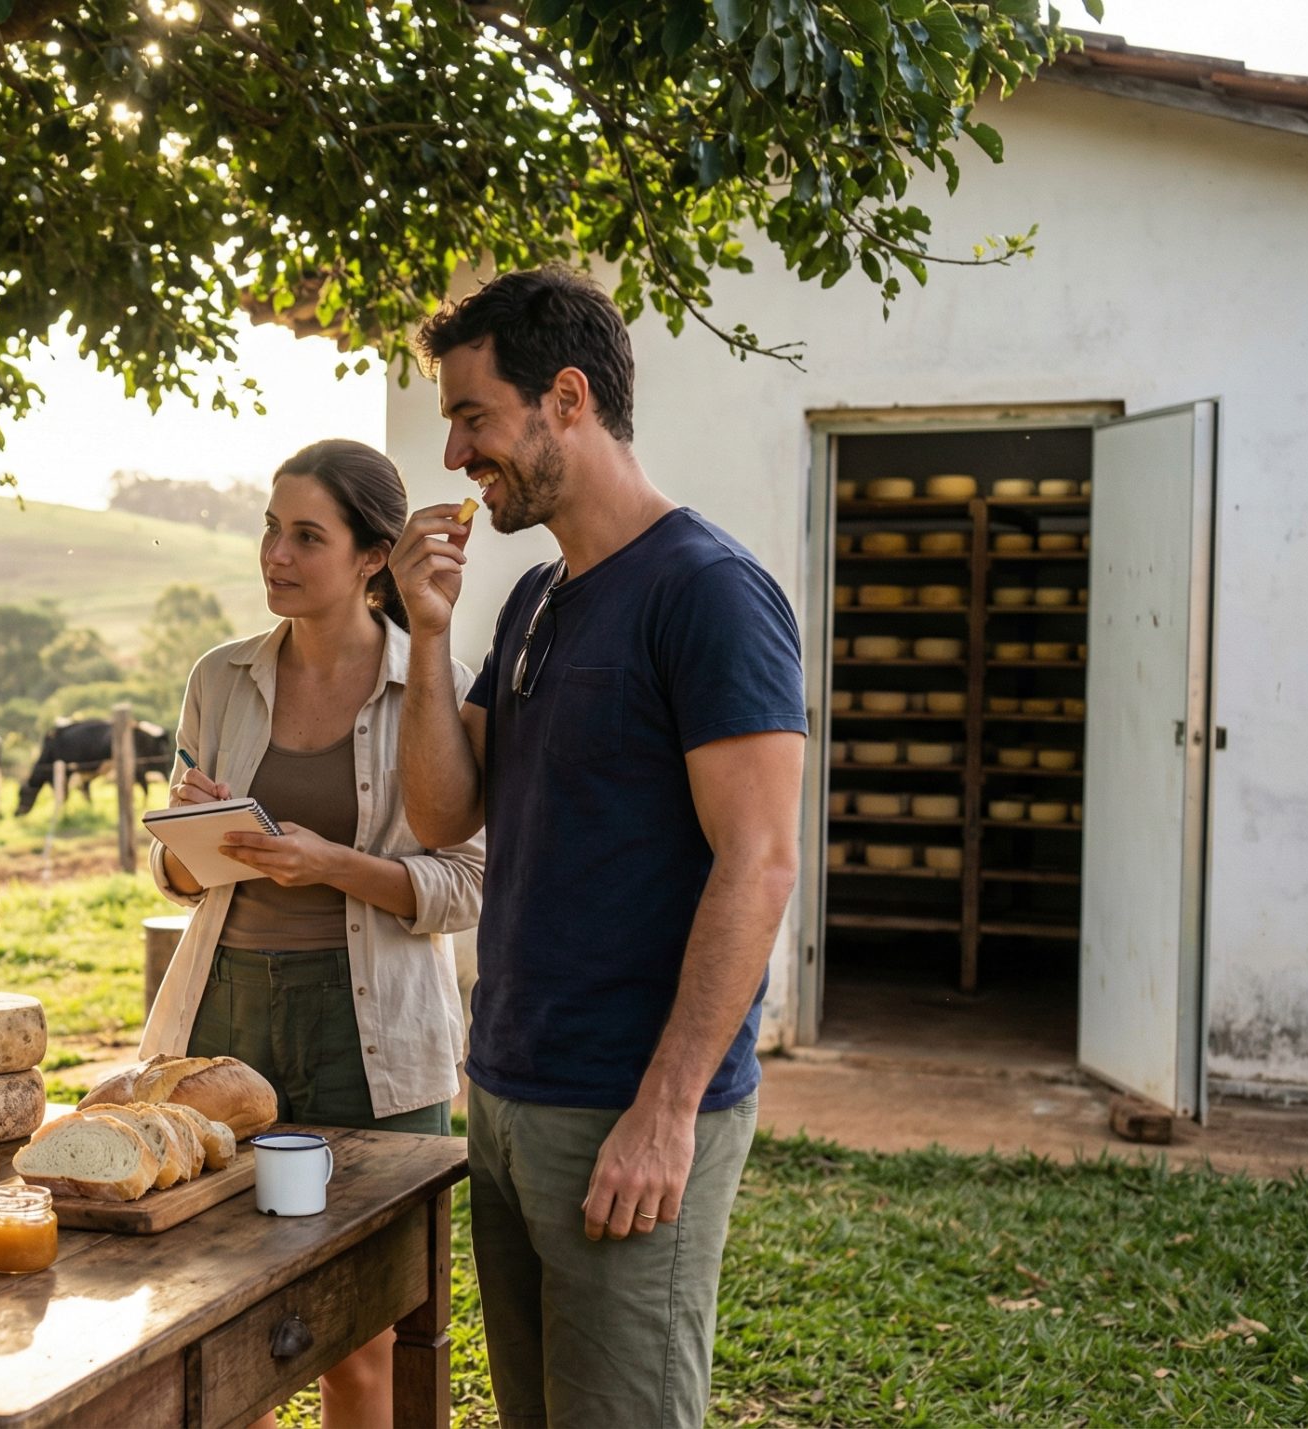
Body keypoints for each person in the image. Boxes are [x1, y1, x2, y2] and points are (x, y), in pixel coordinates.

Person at [390, 267, 806, 1428]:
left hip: (629, 1107)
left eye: (473, 417)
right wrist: (427, 636)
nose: (457, 453)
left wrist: (666, 1108)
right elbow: (440, 815)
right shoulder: (533, 599)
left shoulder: (708, 593)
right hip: (510, 1090)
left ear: (563, 398)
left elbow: (760, 861)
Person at [143, 438, 484, 1429]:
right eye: (268, 527)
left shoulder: (436, 683)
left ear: (373, 556)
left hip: (369, 1038)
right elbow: (173, 875)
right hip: (223, 1018)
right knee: (212, 1317)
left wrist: (330, 862)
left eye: (306, 536)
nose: (275, 555)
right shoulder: (220, 677)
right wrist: (190, 834)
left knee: (360, 1339)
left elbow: (465, 887)